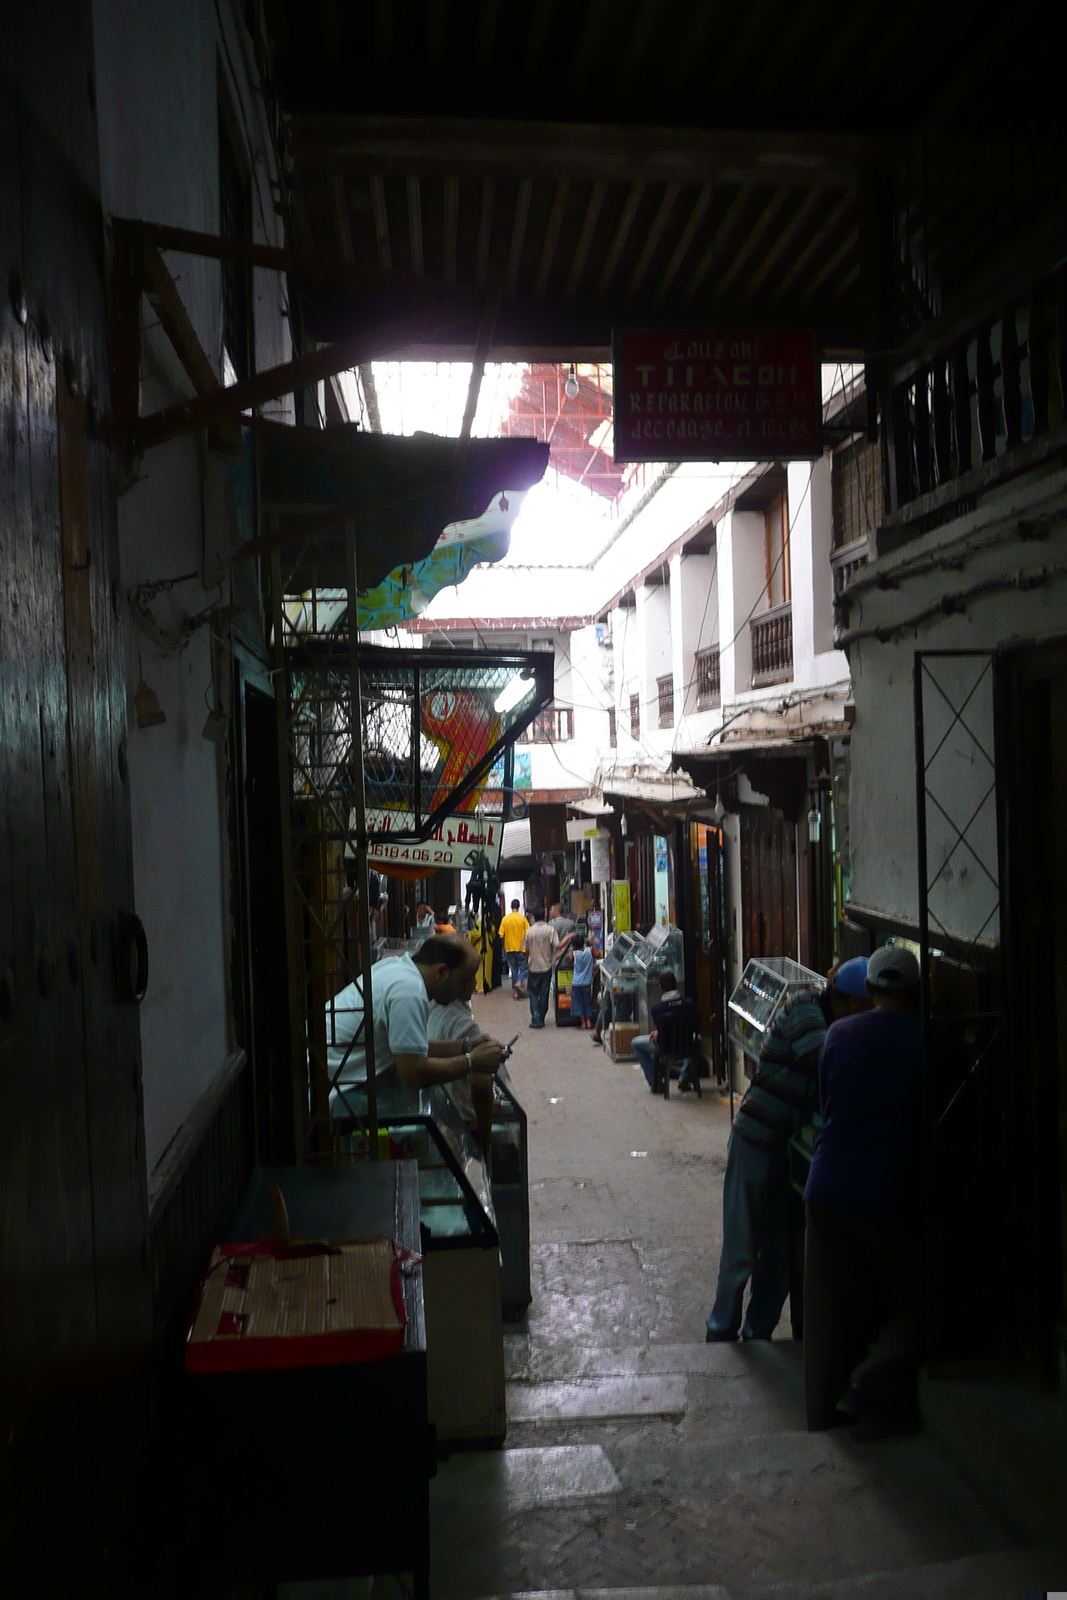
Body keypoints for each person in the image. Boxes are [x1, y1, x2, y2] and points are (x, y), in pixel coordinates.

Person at [705, 958, 872, 1344]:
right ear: (849, 1003)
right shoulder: (805, 1011)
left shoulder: (826, 1021)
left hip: (785, 1151)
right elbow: (829, 1065)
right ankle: (721, 1332)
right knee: (740, 1249)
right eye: (864, 1008)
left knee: (779, 1259)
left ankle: (756, 1332)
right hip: (755, 1140)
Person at [803, 944, 925, 1430]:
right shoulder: (928, 1039)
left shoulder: (838, 1035)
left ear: (871, 990)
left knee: (827, 1310)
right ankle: (872, 1380)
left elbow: (828, 1100)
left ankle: (819, 1414)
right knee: (920, 1297)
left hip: (828, 1185)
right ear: (915, 991)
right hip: (890, 1193)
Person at [326, 935, 503, 1120]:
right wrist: (472, 1062)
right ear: (441, 972)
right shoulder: (409, 991)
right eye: (464, 980)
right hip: (322, 1090)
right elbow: (413, 1073)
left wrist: (465, 1046)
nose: (470, 988)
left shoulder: (399, 968)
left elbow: (412, 1049)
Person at [426, 936, 498, 1150]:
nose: (475, 984)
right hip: (463, 1119)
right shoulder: (466, 1026)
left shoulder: (430, 1005)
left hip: (439, 1111)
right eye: (469, 979)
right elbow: (481, 1084)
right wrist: (485, 1134)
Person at [631, 971, 699, 1092]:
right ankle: (684, 1077)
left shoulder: (657, 1009)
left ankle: (655, 1081)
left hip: (665, 1046)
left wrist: (659, 1032)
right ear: (676, 985)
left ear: (660, 987)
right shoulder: (689, 1003)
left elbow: (665, 1026)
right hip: (686, 1044)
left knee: (635, 1043)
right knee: (698, 1039)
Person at [523, 906, 558, 1029]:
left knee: (532, 992)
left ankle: (535, 1018)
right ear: (544, 915)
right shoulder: (550, 930)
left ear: (533, 917)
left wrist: (529, 960)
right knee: (544, 992)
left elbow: (526, 949)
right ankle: (541, 1017)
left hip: (533, 966)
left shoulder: (529, 931)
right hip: (546, 966)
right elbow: (556, 946)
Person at [498, 898, 530, 999]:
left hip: (509, 948)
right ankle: (519, 982)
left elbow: (501, 935)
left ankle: (515, 992)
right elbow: (528, 933)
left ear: (511, 907)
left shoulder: (505, 919)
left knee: (514, 969)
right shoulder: (523, 919)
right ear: (519, 906)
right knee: (524, 968)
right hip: (521, 948)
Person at [570, 935, 595, 1029]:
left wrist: (572, 951)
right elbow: (597, 955)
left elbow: (571, 961)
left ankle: (583, 1022)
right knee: (587, 1001)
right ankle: (589, 1021)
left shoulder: (575, 954)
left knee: (578, 1002)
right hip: (587, 982)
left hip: (576, 982)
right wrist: (593, 945)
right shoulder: (589, 951)